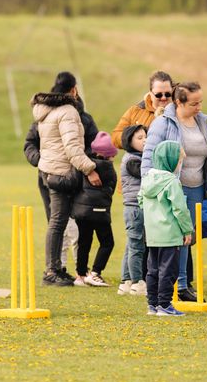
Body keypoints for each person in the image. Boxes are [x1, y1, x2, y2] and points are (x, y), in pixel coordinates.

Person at [141, 82, 207, 301]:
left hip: (196, 189)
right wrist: (148, 186)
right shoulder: (163, 124)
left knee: (188, 236)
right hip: (170, 188)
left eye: (201, 102)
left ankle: (183, 284)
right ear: (179, 102)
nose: (199, 107)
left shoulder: (203, 123)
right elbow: (149, 155)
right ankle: (177, 286)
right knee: (174, 239)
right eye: (194, 103)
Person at [33, 72, 100, 287]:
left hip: (46, 170)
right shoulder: (68, 111)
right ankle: (52, 271)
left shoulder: (46, 110)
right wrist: (90, 169)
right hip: (60, 173)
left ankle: (56, 270)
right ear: (73, 90)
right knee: (58, 222)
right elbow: (72, 147)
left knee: (57, 222)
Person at [139, 140, 194, 317]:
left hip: (152, 234)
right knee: (168, 271)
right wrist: (187, 230)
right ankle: (164, 305)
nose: (180, 165)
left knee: (152, 270)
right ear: (171, 161)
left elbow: (140, 200)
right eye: (179, 161)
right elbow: (180, 209)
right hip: (169, 234)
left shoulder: (147, 179)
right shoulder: (172, 182)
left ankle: (152, 304)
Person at [72, 131, 117, 287]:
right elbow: (111, 188)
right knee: (107, 242)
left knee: (84, 242)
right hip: (99, 212)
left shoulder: (85, 166)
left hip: (81, 212)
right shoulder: (108, 168)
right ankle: (96, 272)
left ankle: (80, 275)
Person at [117, 124, 148, 296]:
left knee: (132, 244)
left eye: (145, 136)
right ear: (129, 142)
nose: (144, 140)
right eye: (139, 138)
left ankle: (126, 281)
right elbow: (146, 173)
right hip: (135, 207)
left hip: (136, 207)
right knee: (136, 246)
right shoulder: (132, 161)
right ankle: (137, 282)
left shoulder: (137, 157)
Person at [111, 70, 174, 149]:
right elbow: (115, 137)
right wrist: (134, 140)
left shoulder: (179, 112)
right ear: (150, 93)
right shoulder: (136, 111)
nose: (164, 98)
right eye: (159, 95)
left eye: (168, 94)